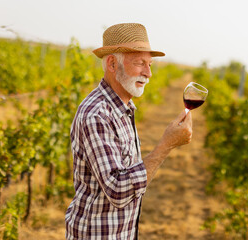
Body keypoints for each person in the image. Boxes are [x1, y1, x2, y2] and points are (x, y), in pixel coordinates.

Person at [65, 23, 192, 240]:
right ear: (113, 64)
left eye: (150, 64)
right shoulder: (97, 114)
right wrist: (166, 145)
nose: (149, 73)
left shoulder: (123, 108)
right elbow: (118, 189)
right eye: (140, 63)